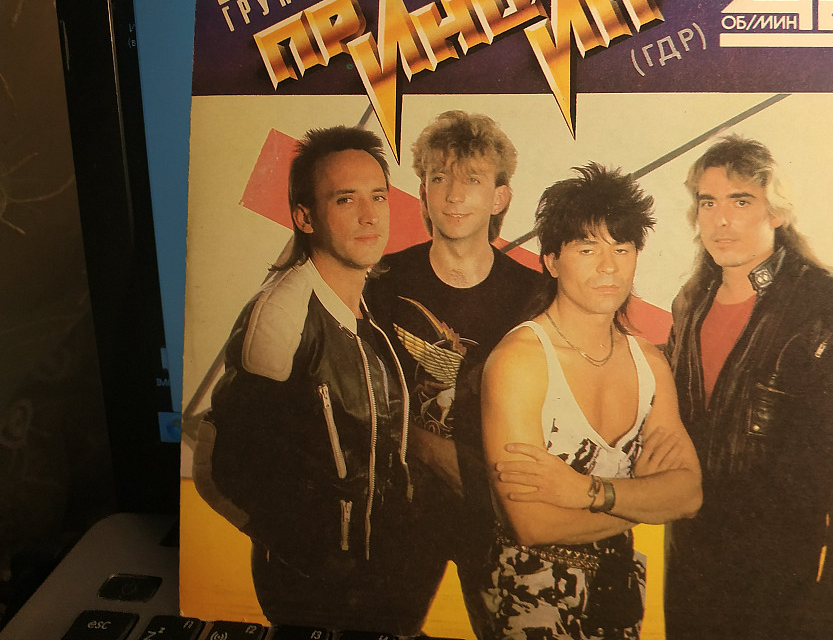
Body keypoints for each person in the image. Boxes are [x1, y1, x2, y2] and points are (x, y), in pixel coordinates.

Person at [663, 135, 833, 640]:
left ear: (777, 213)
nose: (721, 220)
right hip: (689, 565)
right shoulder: (689, 302)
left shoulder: (831, 307)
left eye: (741, 201)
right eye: (708, 202)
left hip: (781, 572)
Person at [192, 126, 418, 634]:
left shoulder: (370, 307)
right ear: (304, 217)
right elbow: (216, 468)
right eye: (345, 199)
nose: (369, 215)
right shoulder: (283, 313)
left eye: (378, 196)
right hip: (311, 596)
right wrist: (308, 557)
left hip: (377, 583)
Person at [478, 163, 702, 639]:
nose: (608, 266)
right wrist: (644, 498)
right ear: (551, 261)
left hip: (620, 593)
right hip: (531, 598)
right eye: (587, 249)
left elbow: (688, 495)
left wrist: (586, 492)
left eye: (622, 249)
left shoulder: (649, 363)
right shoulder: (521, 361)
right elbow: (531, 523)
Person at [364, 110, 545, 635]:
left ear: (500, 198)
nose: (454, 195)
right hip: (401, 509)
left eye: (473, 179)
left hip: (493, 511)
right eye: (439, 178)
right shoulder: (381, 281)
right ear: (422, 193)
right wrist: (423, 447)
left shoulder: (534, 294)